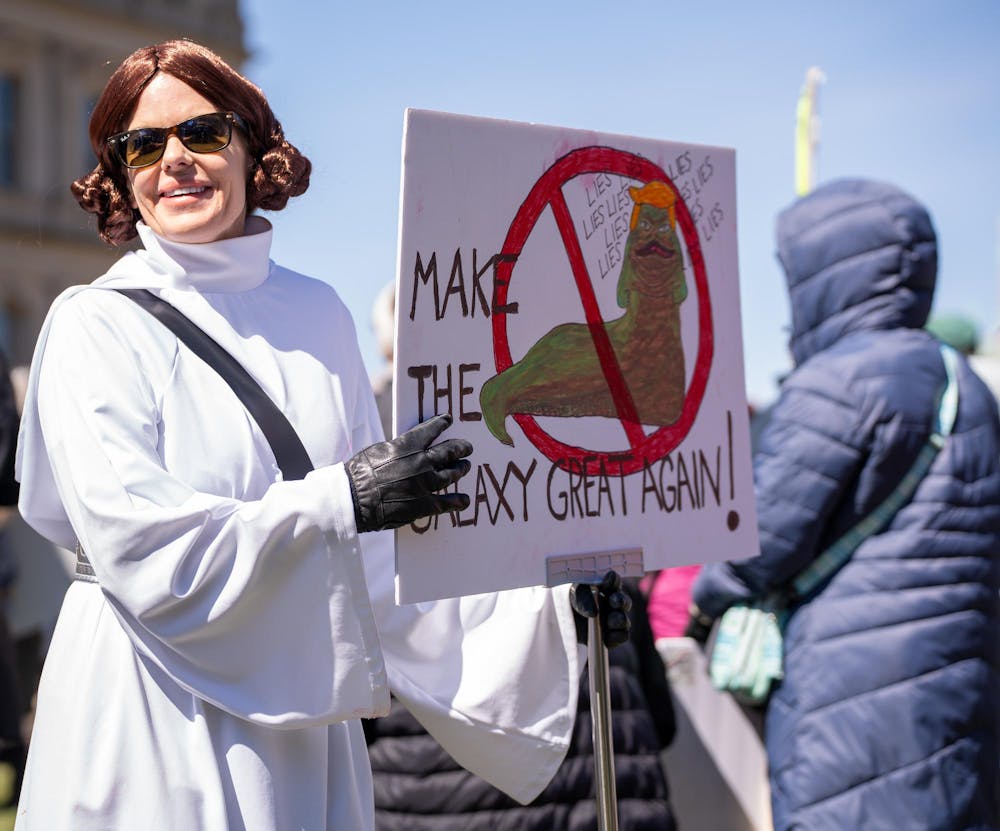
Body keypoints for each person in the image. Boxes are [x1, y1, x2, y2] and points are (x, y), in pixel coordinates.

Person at [13, 40, 630, 830]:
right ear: (120, 174)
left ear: (250, 145)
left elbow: (383, 559)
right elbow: (142, 548)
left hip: (303, 716)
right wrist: (341, 499)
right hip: (148, 703)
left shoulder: (321, 314)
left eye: (201, 133)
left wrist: (558, 601)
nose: (174, 161)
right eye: (141, 144)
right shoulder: (90, 324)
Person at [690, 178, 1000, 829]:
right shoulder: (962, 379)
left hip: (852, 689)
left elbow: (758, 540)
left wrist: (706, 589)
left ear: (826, 273)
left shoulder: (838, 381)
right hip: (958, 674)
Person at [364, 579, 677, 830]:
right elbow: (663, 725)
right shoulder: (604, 575)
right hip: (612, 805)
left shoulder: (384, 578)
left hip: (432, 807)